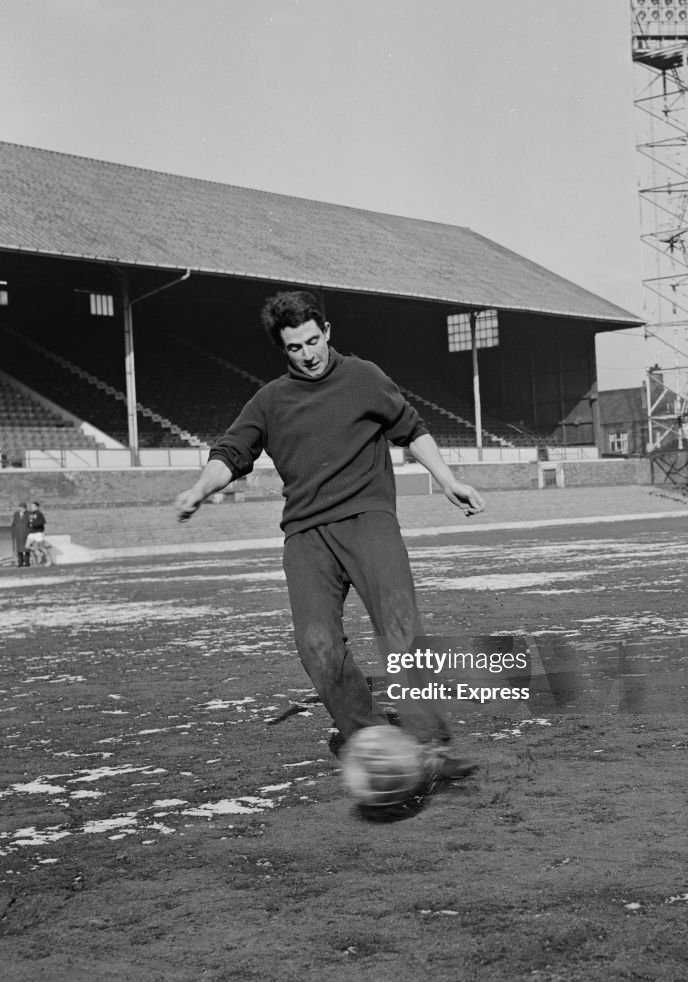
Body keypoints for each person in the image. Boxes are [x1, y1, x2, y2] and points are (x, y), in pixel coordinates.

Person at [176, 289, 486, 788]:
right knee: (316, 644)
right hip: (306, 534)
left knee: (400, 626)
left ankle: (429, 744)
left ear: (327, 332)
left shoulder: (364, 376)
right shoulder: (271, 399)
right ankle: (370, 740)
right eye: (295, 347)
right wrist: (198, 489)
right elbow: (231, 452)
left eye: (314, 341)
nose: (309, 354)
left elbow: (411, 428)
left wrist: (448, 480)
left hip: (369, 519)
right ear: (283, 349)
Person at [24, 501, 50, 566]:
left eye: (33, 506)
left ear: (37, 507)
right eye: (31, 506)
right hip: (31, 533)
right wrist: (28, 526)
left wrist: (34, 524)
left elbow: (43, 522)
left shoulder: (39, 514)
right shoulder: (31, 514)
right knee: (27, 546)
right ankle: (39, 554)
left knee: (42, 548)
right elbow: (29, 522)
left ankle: (49, 561)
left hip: (38, 533)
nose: (31, 507)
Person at [11, 501, 28, 567]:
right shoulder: (16, 514)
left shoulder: (28, 514)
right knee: (19, 549)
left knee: (26, 549)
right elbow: (14, 523)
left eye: (24, 508)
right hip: (18, 534)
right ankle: (20, 563)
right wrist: (13, 531)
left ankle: (27, 562)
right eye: (21, 507)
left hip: (26, 534)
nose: (23, 509)